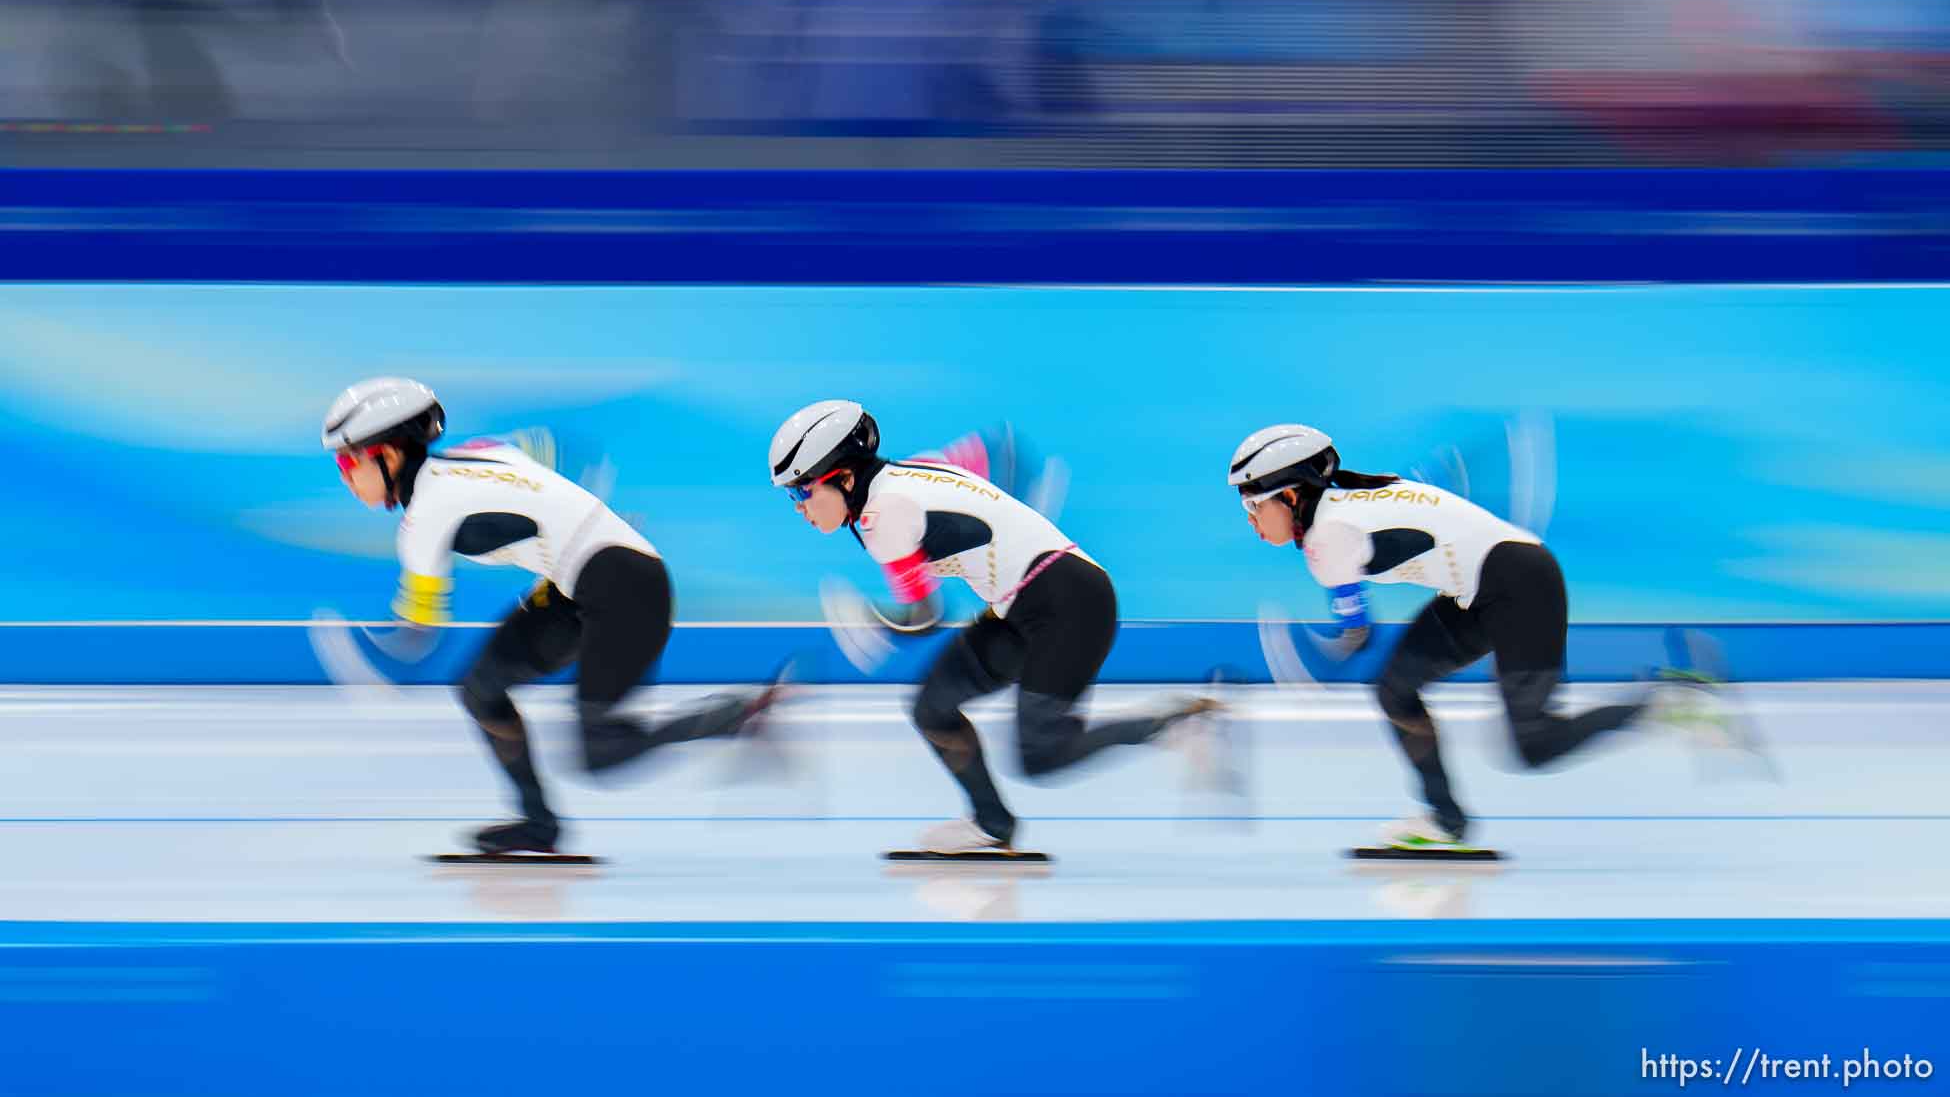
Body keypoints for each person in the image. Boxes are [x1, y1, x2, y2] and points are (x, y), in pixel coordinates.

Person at [322, 376, 778, 856]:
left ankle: (736, 716)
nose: (344, 478)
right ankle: (538, 824)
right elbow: (543, 452)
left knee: (599, 754)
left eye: (348, 461)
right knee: (482, 689)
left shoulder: (424, 519)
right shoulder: (473, 454)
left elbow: (416, 636)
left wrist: (353, 655)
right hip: (589, 582)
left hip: (624, 589)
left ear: (390, 455)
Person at [771, 399, 1218, 856]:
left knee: (1040, 754)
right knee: (933, 708)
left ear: (844, 477)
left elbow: (924, 617)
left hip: (1068, 604)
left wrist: (868, 626)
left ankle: (1171, 724)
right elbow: (1000, 448)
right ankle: (992, 824)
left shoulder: (882, 518)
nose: (798, 508)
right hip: (1026, 602)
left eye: (801, 492)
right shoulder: (917, 467)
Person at [1229, 422, 1652, 854]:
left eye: (1254, 506)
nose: (1251, 521)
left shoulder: (1328, 537)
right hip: (1489, 582)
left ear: (1291, 495)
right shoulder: (1358, 499)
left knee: (1534, 743)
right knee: (1395, 692)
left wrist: (1302, 663)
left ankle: (1664, 703)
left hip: (1518, 584)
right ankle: (1444, 822)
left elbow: (1356, 635)